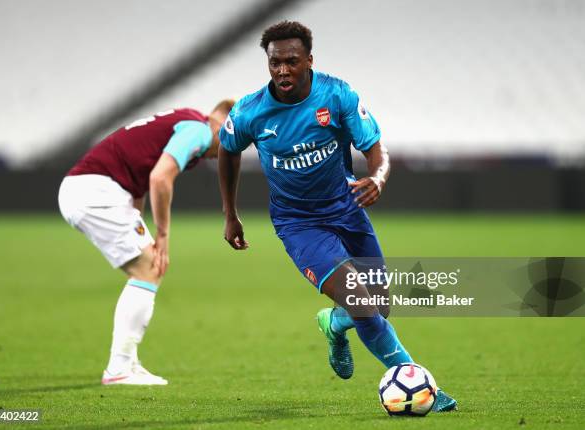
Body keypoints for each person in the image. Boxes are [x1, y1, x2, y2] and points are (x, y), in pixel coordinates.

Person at [218, 21, 456, 411]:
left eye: (291, 62)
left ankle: (334, 323)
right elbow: (227, 149)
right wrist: (230, 213)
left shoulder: (338, 95)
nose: (282, 71)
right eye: (274, 63)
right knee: (363, 306)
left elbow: (376, 149)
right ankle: (422, 385)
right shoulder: (251, 112)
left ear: (309, 60)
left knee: (378, 306)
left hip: (347, 210)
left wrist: (377, 178)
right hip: (299, 224)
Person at [58, 100, 234, 385]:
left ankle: (127, 363)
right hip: (95, 191)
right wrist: (162, 235)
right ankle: (119, 368)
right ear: (224, 127)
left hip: (95, 189)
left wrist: (137, 221)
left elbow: (137, 177)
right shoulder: (199, 132)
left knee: (150, 267)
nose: (227, 154)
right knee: (149, 267)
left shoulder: (186, 119)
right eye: (233, 143)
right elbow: (160, 178)